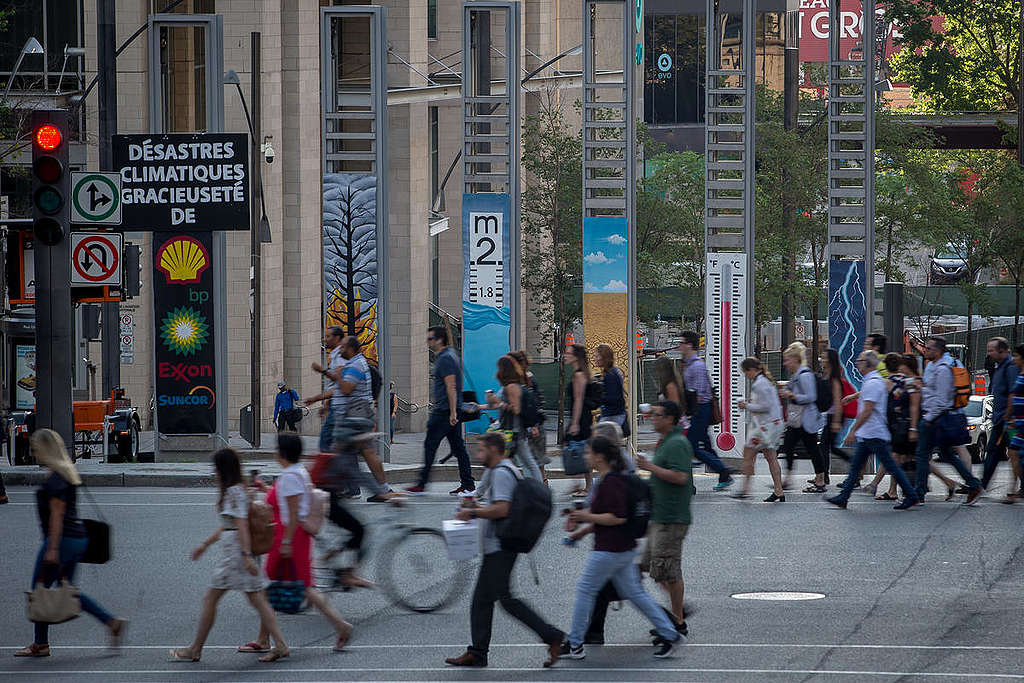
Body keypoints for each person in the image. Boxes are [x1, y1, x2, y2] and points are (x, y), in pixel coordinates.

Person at [444, 432, 564, 668]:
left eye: (481, 450)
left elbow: (502, 509)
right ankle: (477, 652)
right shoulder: (502, 469)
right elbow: (496, 504)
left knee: (506, 599)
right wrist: (475, 505)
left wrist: (473, 512)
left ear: (495, 450)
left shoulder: (501, 473)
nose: (478, 454)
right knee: (482, 600)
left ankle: (552, 636)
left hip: (501, 545)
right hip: (497, 545)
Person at [559, 436, 684, 660]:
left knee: (586, 590)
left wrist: (584, 516)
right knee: (636, 594)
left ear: (600, 457)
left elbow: (617, 517)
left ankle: (575, 643)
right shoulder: (611, 480)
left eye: (588, 453)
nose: (585, 456)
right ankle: (670, 634)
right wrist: (581, 525)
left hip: (610, 549)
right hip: (623, 548)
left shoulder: (611, 483)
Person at [15, 429, 127, 658]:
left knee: (40, 589)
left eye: (36, 449)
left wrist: (53, 549)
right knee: (69, 592)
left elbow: (57, 514)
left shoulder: (56, 478)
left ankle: (40, 644)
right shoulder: (67, 472)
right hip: (78, 539)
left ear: (45, 450)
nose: (34, 453)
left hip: (62, 540)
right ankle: (111, 622)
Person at [171, 448, 288, 663]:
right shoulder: (238, 490)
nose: (214, 472)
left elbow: (241, 526)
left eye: (216, 468)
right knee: (257, 600)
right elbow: (229, 525)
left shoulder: (234, 492)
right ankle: (279, 644)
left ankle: (195, 648)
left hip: (234, 555)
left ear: (223, 469)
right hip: (235, 551)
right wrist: (205, 545)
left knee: (213, 598)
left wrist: (245, 556)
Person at [242, 434, 354, 654]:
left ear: (282, 453)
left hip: (289, 536)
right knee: (287, 587)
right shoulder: (294, 473)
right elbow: (286, 501)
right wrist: (265, 489)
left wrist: (285, 542)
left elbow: (293, 512)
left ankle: (341, 626)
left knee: (285, 587)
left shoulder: (291, 476)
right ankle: (264, 638)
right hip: (291, 535)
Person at [826, 351, 919, 511]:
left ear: (868, 364)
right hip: (869, 432)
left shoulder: (873, 382)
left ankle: (911, 495)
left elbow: (867, 410)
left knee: (890, 465)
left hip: (874, 432)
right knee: (856, 466)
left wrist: (853, 431)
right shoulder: (873, 381)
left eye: (860, 360)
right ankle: (844, 496)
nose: (857, 363)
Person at [636, 401, 694, 631]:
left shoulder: (677, 443)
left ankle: (678, 620)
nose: (653, 418)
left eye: (658, 415)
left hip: (672, 517)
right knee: (651, 566)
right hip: (659, 516)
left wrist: (650, 468)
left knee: (669, 571)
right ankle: (677, 608)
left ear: (669, 419)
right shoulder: (666, 442)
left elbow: (681, 477)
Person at [912, 336, 984, 504]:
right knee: (946, 454)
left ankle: (919, 492)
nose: (925, 351)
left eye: (928, 348)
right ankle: (974, 485)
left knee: (922, 454)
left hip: (938, 418)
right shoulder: (939, 364)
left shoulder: (943, 368)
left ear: (937, 351)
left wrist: (928, 418)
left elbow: (942, 400)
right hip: (942, 417)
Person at [406, 326, 476, 496]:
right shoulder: (450, 355)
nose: (427, 342)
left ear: (439, 340)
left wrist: (452, 412)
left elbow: (450, 386)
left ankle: (421, 485)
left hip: (444, 411)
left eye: (430, 339)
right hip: (449, 410)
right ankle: (468, 485)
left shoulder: (445, 358)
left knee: (430, 445)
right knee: (458, 448)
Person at [331, 336, 392, 499]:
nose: (340, 350)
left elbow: (346, 389)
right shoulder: (356, 363)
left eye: (343, 347)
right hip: (359, 412)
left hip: (357, 413)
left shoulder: (355, 366)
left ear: (351, 349)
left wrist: (338, 376)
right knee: (363, 451)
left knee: (349, 450)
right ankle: (380, 489)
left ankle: (379, 489)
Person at [677, 331, 735, 491]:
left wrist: (687, 411)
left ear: (690, 345)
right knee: (706, 445)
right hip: (698, 410)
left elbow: (699, 393)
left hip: (700, 409)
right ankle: (724, 474)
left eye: (682, 342)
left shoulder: (697, 366)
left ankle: (721, 471)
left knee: (690, 446)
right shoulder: (689, 364)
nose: (679, 345)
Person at [734, 358, 786, 501]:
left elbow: (764, 406)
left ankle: (745, 489)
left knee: (748, 453)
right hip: (773, 425)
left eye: (745, 372)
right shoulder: (766, 381)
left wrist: (746, 405)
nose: (746, 375)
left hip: (764, 427)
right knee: (771, 457)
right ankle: (778, 490)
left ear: (751, 370)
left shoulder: (759, 384)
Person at [487, 355, 543, 480]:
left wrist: (498, 402)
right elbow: (500, 404)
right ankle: (482, 491)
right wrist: (479, 406)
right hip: (510, 430)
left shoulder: (512, 387)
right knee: (523, 462)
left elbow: (516, 409)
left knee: (526, 463)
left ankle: (538, 488)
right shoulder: (508, 386)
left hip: (513, 431)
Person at [777, 342, 823, 490]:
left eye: (787, 360)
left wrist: (792, 395)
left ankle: (820, 480)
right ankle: (789, 478)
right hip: (797, 419)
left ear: (796, 360)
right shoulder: (796, 375)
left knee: (812, 449)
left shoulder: (804, 375)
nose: (785, 363)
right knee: (789, 446)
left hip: (806, 419)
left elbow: (811, 396)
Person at [981, 337, 1020, 491]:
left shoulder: (1010, 367)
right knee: (994, 453)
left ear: (1002, 351)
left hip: (1007, 420)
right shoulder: (999, 367)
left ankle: (981, 485)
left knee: (1013, 454)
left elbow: (1013, 393)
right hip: (1000, 419)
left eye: (991, 350)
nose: (989, 353)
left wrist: (1008, 416)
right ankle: (981, 485)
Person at [510, 350, 551, 482]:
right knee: (534, 461)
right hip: (531, 425)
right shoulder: (524, 379)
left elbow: (532, 404)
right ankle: (540, 485)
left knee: (534, 461)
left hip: (532, 426)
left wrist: (533, 425)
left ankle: (540, 486)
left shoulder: (527, 379)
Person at [809, 348, 845, 491]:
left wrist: (836, 421)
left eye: (824, 358)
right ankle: (823, 475)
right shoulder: (826, 375)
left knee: (825, 446)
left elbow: (837, 400)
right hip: (827, 415)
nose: (822, 360)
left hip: (833, 416)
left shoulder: (834, 378)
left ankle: (823, 476)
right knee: (827, 447)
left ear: (830, 360)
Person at [305, 326, 345, 453]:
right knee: (333, 442)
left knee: (326, 441)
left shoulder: (340, 356)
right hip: (336, 404)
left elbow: (339, 383)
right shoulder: (335, 356)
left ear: (337, 338)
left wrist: (322, 370)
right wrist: (327, 405)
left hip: (341, 406)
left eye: (328, 336)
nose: (324, 339)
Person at [564, 343, 594, 498]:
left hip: (581, 417)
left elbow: (578, 399)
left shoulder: (579, 375)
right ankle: (581, 484)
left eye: (568, 353)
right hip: (581, 416)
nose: (565, 355)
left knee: (579, 449)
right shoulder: (580, 373)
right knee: (579, 449)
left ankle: (585, 486)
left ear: (576, 357)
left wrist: (574, 423)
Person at [998, 345, 1024, 503]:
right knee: (1013, 452)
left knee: (1013, 452)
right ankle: (1013, 491)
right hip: (1020, 424)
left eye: (1016, 356)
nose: (1013, 359)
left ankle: (1013, 491)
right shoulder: (1020, 374)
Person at [596, 344, 627, 429]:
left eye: (597, 356)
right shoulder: (613, 372)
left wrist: (599, 397)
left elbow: (613, 398)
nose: (595, 359)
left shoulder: (610, 375)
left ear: (604, 357)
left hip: (612, 416)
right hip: (614, 415)